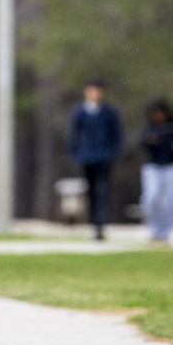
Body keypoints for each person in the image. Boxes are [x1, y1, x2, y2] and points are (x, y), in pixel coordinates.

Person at [67, 78, 123, 240]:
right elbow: (73, 136)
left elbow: (116, 135)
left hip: (104, 157)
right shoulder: (80, 112)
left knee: (103, 190)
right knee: (91, 191)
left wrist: (112, 152)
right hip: (88, 158)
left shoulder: (109, 112)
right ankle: (94, 223)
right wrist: (78, 154)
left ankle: (100, 224)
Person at [140, 99, 173, 243]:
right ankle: (154, 229)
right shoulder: (150, 127)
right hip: (154, 166)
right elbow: (142, 143)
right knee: (150, 197)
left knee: (171, 200)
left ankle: (166, 232)